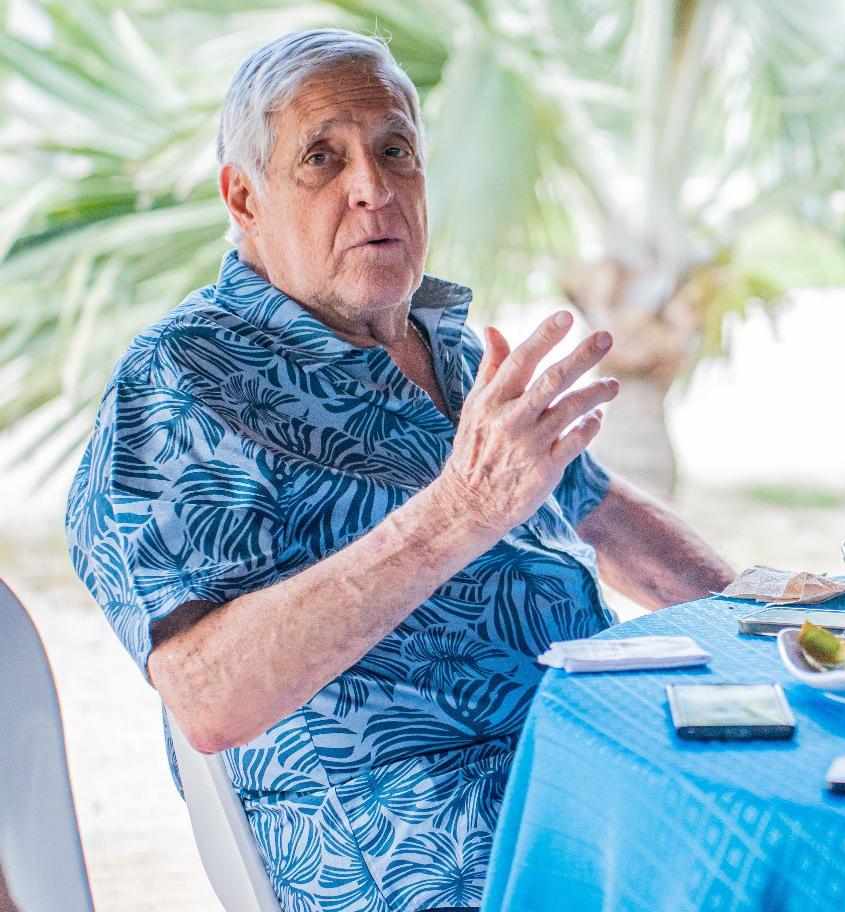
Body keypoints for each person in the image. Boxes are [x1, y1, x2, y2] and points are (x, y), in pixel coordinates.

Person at [65, 29, 733, 912]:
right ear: (244, 197)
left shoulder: (450, 343)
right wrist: (458, 512)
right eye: (321, 158)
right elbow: (206, 696)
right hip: (422, 838)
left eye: (395, 151)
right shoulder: (185, 381)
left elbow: (597, 508)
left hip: (588, 766)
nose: (372, 189)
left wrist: (780, 619)